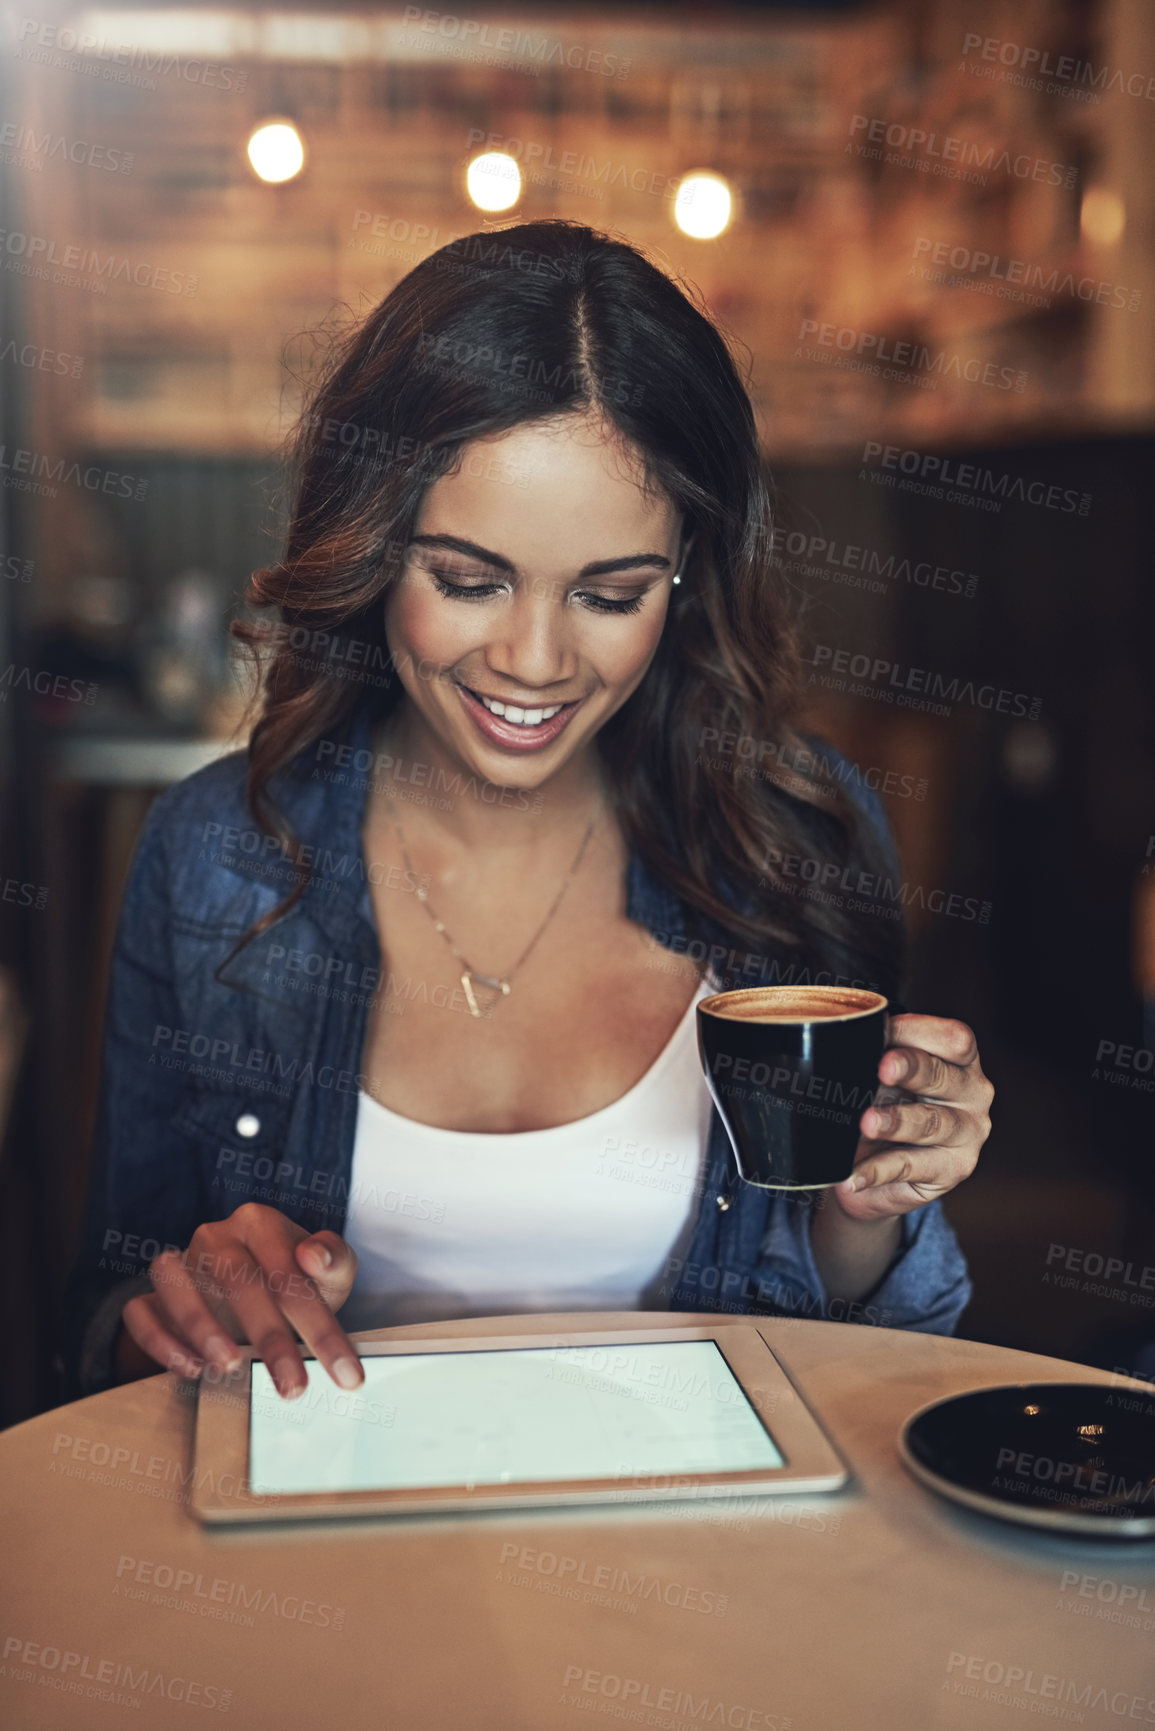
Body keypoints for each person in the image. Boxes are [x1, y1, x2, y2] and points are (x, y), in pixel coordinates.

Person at [60, 221, 993, 1405]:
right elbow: (97, 1324)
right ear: (373, 541)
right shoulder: (213, 859)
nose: (536, 662)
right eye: (467, 579)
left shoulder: (796, 838)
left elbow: (871, 1355)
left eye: (609, 594)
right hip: (321, 1581)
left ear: (687, 570)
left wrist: (879, 1202)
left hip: (707, 1578)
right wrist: (178, 1325)